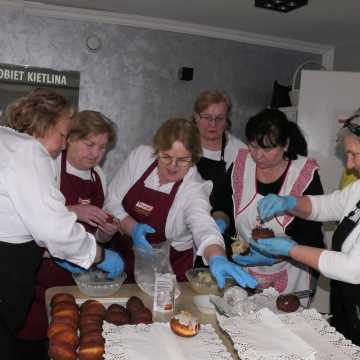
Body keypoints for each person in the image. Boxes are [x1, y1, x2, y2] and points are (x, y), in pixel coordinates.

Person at [0, 88, 123, 359]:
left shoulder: (6, 138)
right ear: (45, 124)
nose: (64, 144)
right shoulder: (30, 152)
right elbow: (52, 227)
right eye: (64, 135)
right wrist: (98, 255)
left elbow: (21, 221)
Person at [102, 118, 257, 289]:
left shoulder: (194, 188)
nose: (173, 166)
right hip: (122, 264)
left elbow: (203, 226)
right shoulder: (140, 158)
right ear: (157, 150)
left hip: (168, 275)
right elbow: (111, 201)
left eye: (183, 160)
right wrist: (132, 228)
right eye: (166, 156)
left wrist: (217, 257)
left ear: (194, 158)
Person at [252, 114, 360, 345]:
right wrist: (290, 202)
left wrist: (292, 249)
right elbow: (328, 204)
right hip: (347, 301)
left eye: (354, 155)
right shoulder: (358, 188)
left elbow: (353, 268)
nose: (349, 165)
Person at [230, 109, 324, 298]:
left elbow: (310, 236)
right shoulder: (242, 165)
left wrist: (277, 255)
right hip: (245, 271)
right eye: (253, 146)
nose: (258, 155)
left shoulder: (303, 176)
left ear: (286, 145)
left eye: (268, 148)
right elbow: (222, 205)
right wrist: (219, 223)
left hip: (291, 275)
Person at [192, 89, 246, 261]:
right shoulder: (183, 145)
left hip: (224, 231)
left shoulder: (240, 152)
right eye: (207, 117)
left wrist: (221, 222)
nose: (213, 124)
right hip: (185, 232)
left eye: (219, 118)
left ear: (227, 119)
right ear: (195, 117)